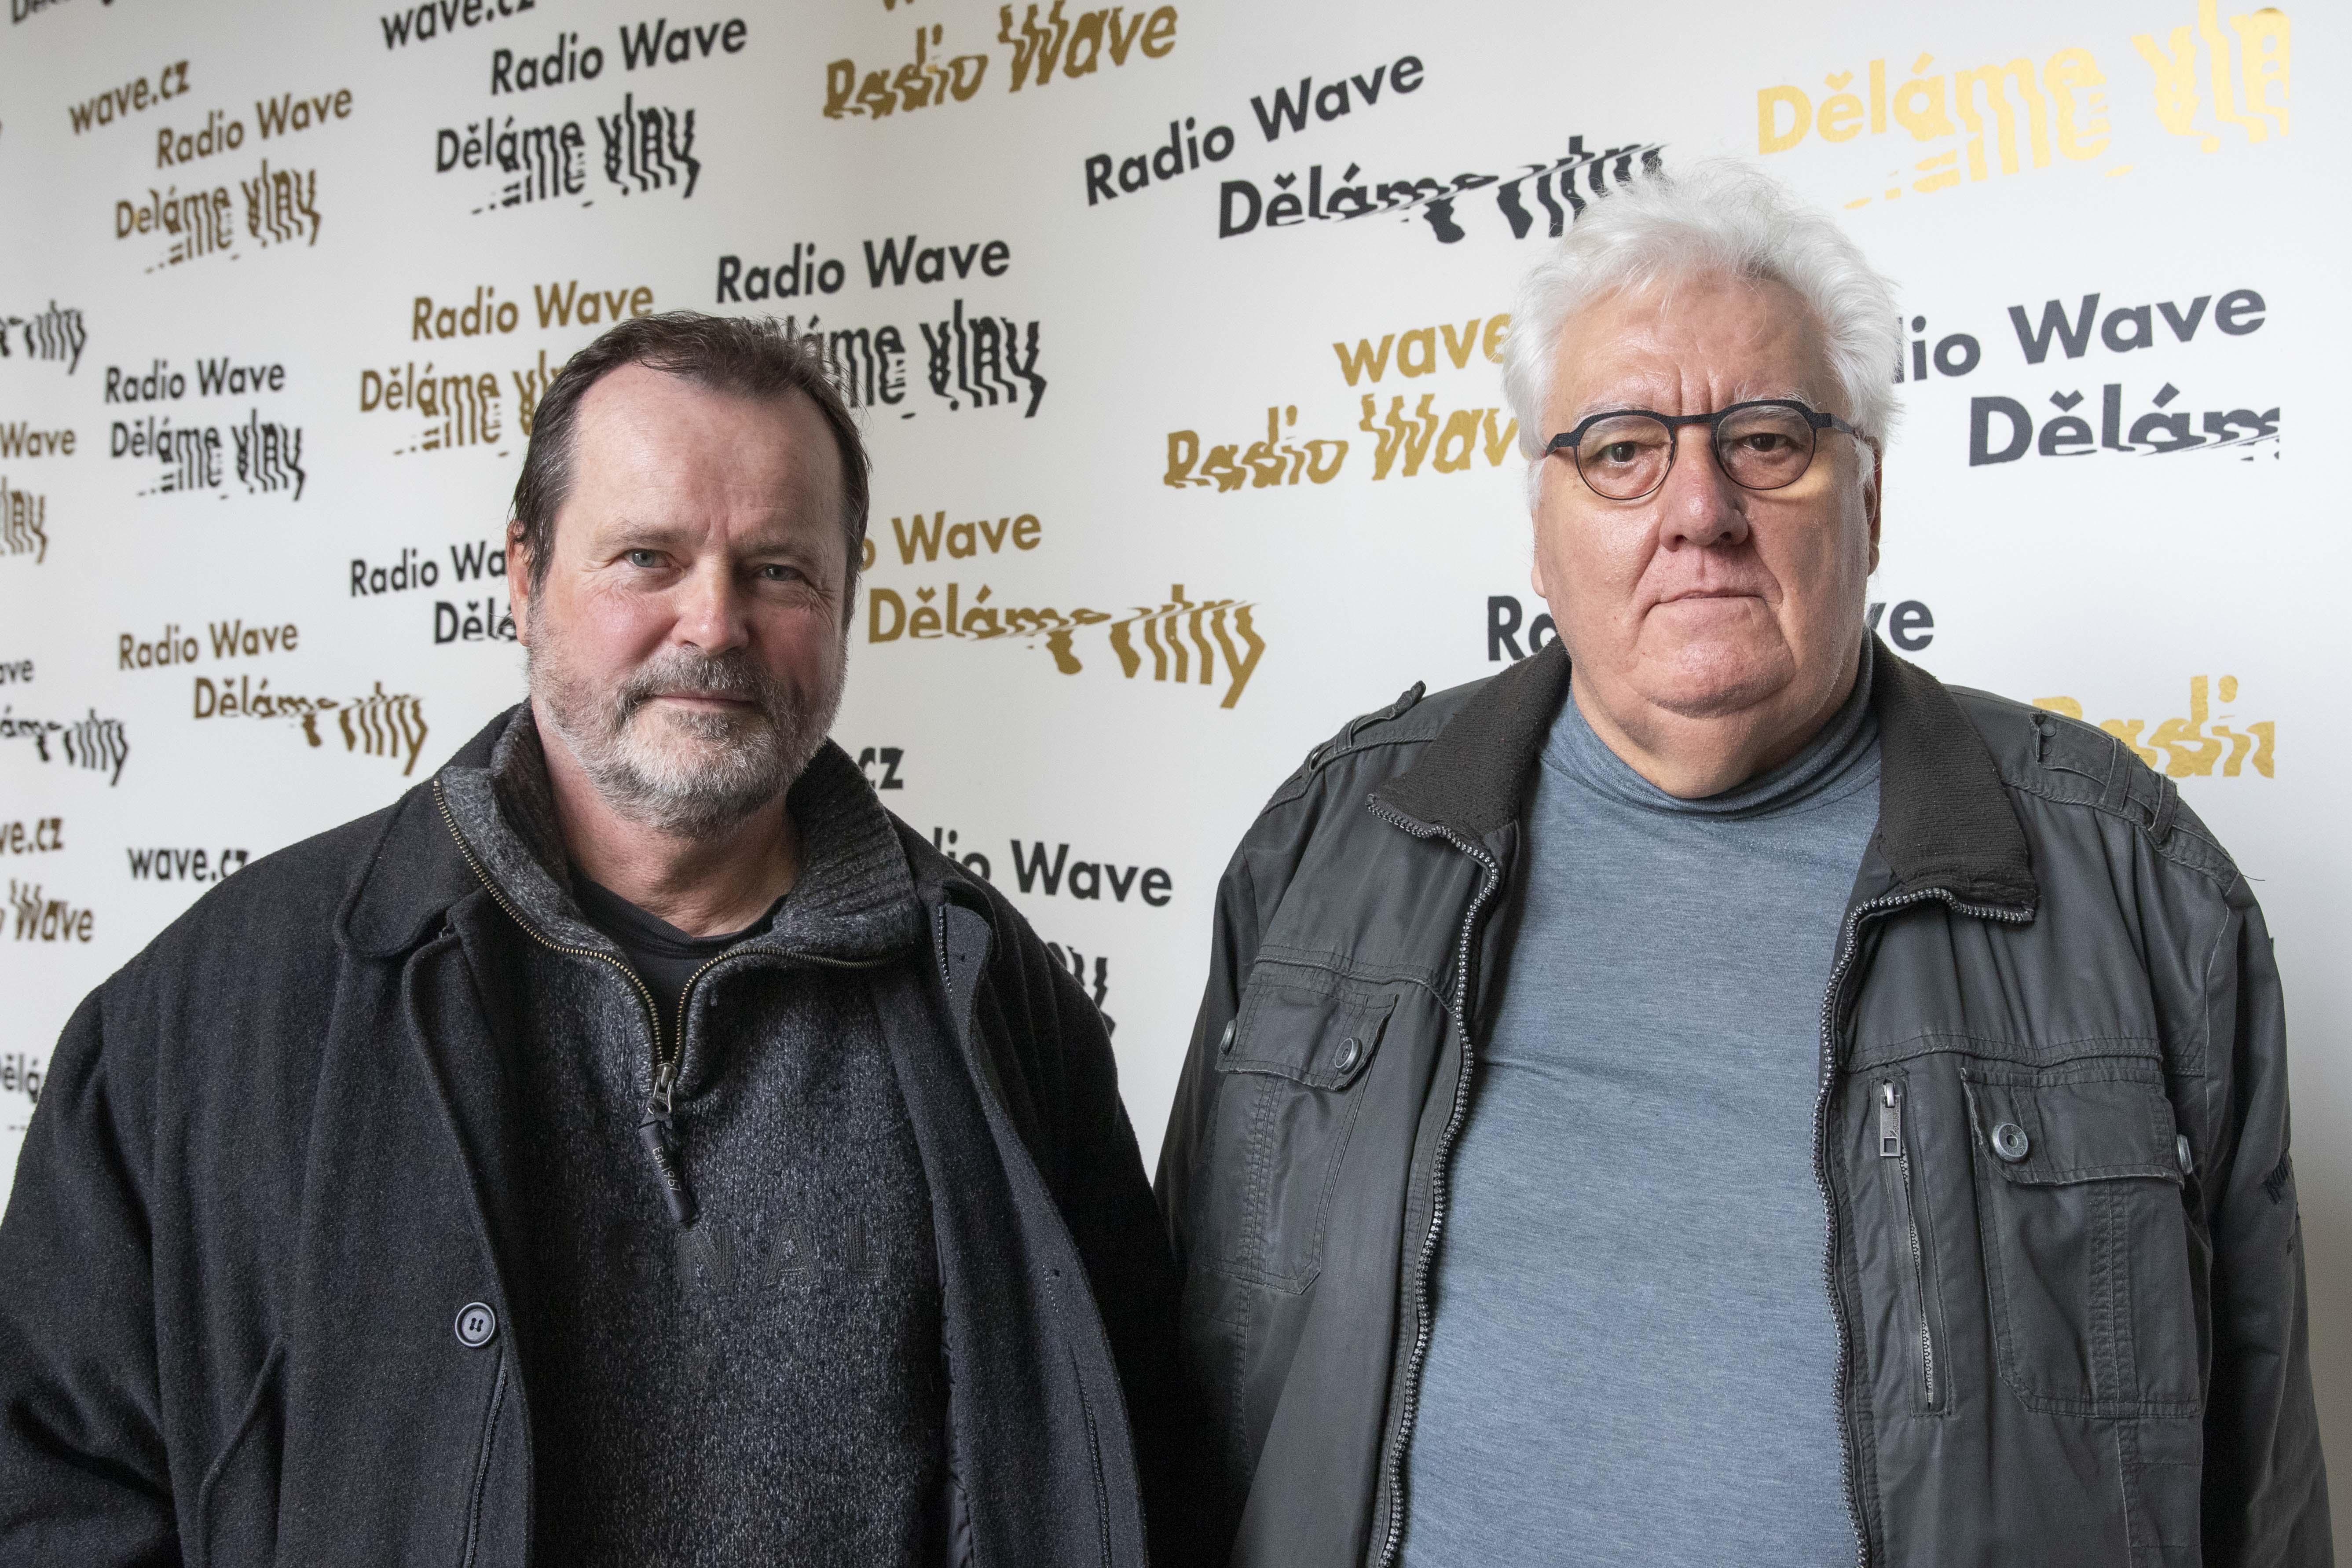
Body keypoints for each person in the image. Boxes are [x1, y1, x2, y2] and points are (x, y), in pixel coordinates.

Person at [1157, 162, 2330, 1567]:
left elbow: (2261, 1479)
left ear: (1869, 499)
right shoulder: (1328, 847)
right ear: (1540, 527)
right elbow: (1176, 1395)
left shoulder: (2132, 882)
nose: (1697, 508)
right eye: (1620, 450)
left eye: (1766, 440)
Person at [0, 313, 1183, 1568]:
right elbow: (50, 1489)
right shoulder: (213, 1012)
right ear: (523, 575)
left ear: (848, 597)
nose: (714, 623)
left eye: (779, 570)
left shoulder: (1003, 1011)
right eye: (646, 557)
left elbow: (1137, 1466)